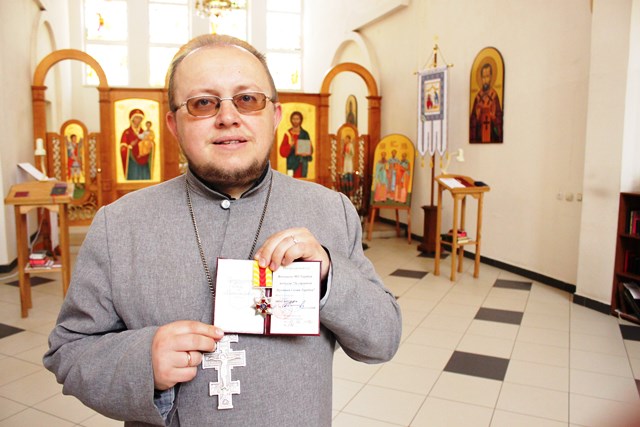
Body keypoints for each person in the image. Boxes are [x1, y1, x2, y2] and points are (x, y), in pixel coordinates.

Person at [44, 34, 401, 427]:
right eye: (203, 103)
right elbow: (69, 351)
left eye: (247, 99)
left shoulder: (330, 210)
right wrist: (142, 360)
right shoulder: (120, 225)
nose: (228, 117)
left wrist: (328, 275)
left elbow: (382, 341)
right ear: (173, 124)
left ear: (276, 115)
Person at [469, 62, 503, 143]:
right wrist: (477, 117)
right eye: (483, 77)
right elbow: (472, 121)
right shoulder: (478, 97)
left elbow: (499, 119)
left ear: (491, 77)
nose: (485, 80)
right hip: (479, 137)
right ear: (481, 78)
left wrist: (493, 117)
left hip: (492, 137)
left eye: (487, 76)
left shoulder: (494, 96)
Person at [120, 109, 153, 180]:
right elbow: (123, 146)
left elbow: (151, 142)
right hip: (132, 160)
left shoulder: (144, 132)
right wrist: (128, 147)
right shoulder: (127, 132)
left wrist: (149, 145)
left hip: (144, 158)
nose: (138, 120)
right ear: (132, 119)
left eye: (140, 118)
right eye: (136, 118)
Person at [278, 110, 312, 178]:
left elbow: (310, 149)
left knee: (302, 181)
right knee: (291, 181)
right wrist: (290, 146)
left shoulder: (305, 134)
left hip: (302, 164)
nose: (295, 121)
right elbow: (282, 151)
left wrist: (307, 152)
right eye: (294, 119)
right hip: (291, 162)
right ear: (291, 120)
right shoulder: (288, 134)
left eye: (297, 119)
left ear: (301, 120)